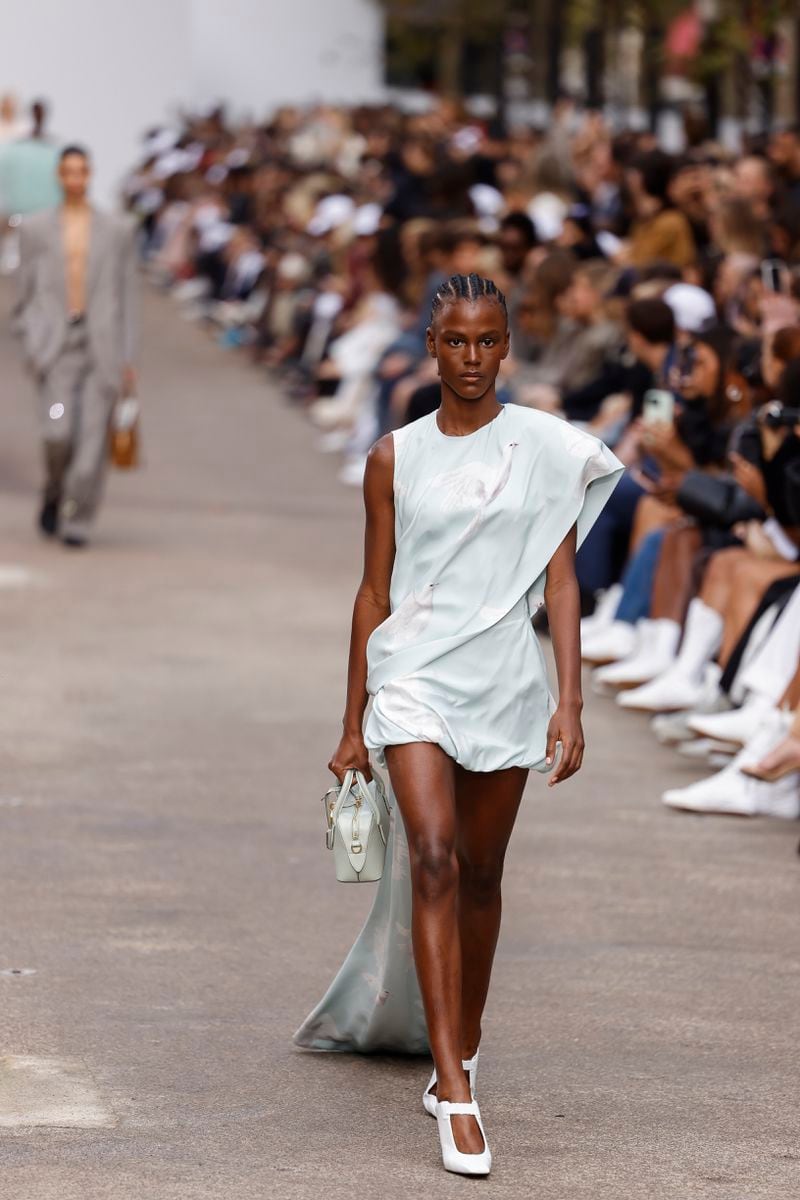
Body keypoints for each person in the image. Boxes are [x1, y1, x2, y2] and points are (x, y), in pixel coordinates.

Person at [293, 273, 623, 1176]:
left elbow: (561, 582)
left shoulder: (547, 449)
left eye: (488, 341)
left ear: (506, 346)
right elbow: (373, 591)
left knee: (481, 874)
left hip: (507, 678)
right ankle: (459, 1093)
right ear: (431, 345)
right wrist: (354, 719)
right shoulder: (394, 457)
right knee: (432, 856)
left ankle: (458, 1054)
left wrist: (571, 699)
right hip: (415, 679)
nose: (472, 358)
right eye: (456, 341)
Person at [13, 145, 138, 547]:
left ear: (90, 174)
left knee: (91, 443)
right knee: (57, 429)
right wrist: (31, 338)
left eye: (81, 171)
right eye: (68, 172)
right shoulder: (34, 229)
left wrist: (127, 357)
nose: (75, 179)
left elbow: (127, 295)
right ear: (58, 176)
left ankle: (78, 518)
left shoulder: (116, 230)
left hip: (100, 349)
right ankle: (54, 489)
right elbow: (24, 292)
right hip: (55, 352)